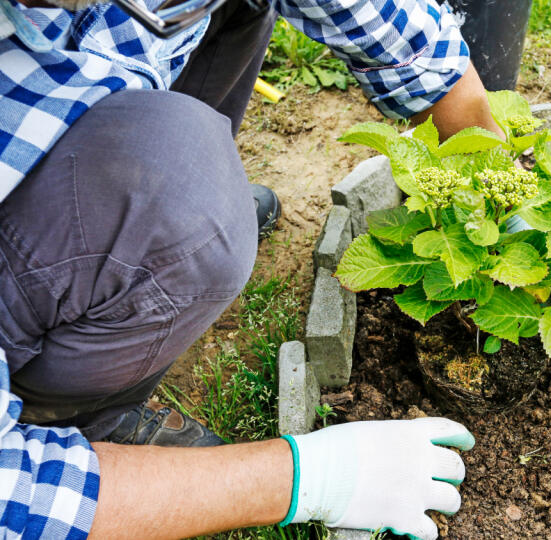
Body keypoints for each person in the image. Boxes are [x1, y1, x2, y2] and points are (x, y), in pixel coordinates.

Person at [0, 0, 501, 536]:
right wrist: (309, 479)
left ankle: (165, 176)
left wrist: (495, 178)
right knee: (191, 219)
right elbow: (14, 500)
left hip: (60, 80)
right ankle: (65, 419)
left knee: (240, 10)